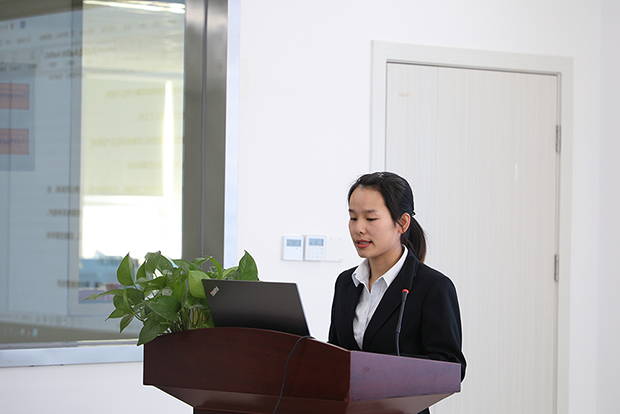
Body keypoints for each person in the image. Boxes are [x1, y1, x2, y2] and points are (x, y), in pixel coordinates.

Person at [328, 172, 466, 414]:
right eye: (353, 218)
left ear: (402, 223)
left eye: (371, 218)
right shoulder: (346, 283)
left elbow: (450, 367)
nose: (358, 229)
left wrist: (380, 371)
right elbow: (337, 351)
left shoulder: (433, 287)